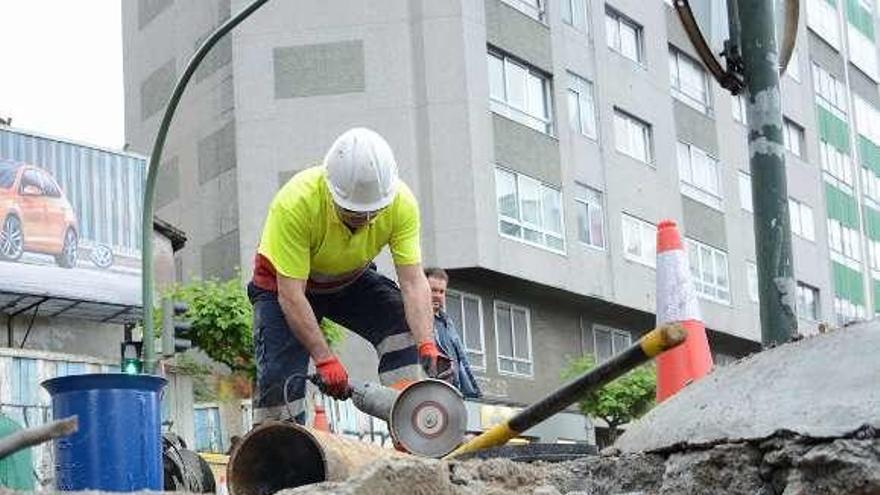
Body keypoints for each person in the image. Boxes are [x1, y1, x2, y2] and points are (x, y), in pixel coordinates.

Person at [248, 127, 451, 424]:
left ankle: (412, 426)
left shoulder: (401, 203)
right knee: (280, 376)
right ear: (331, 193)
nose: (365, 220)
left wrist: (427, 344)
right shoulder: (295, 203)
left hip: (347, 280)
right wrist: (324, 358)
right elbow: (291, 295)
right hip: (284, 288)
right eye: (353, 213)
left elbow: (412, 282)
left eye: (373, 213)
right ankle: (279, 451)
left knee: (400, 321)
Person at [425, 268, 482, 399]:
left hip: (453, 394)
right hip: (429, 393)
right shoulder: (415, 321)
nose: (438, 295)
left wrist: (472, 392)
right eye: (433, 290)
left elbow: (462, 362)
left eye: (441, 291)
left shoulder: (447, 322)